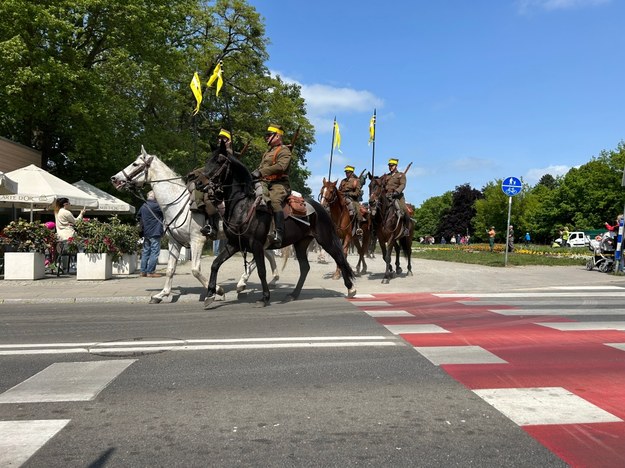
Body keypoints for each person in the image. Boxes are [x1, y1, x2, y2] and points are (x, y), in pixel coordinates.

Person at [251, 123, 292, 249]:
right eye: (266, 135)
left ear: (278, 136)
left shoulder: (284, 150)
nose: (267, 138)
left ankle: (279, 233)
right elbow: (261, 167)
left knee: (274, 201)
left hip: (279, 184)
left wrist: (261, 172)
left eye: (269, 135)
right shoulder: (268, 152)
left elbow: (281, 167)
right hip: (265, 183)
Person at [198, 128, 231, 238]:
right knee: (199, 191)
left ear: (229, 141)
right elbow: (209, 167)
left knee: (209, 197)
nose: (220, 140)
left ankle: (213, 227)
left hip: (227, 184)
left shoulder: (229, 152)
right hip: (216, 182)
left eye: (223, 138)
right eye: (219, 138)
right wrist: (197, 172)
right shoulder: (217, 153)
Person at [383, 158, 412, 236]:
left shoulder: (401, 175)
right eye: (389, 165)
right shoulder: (386, 176)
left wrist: (396, 191)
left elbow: (402, 185)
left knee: (405, 210)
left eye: (392, 165)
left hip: (397, 197)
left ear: (396, 166)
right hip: (387, 196)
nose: (390, 167)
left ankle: (406, 229)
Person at [138, 190, 164, 277]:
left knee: (145, 252)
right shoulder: (157, 206)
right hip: (155, 232)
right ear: (155, 197)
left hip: (146, 232)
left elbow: (138, 216)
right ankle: (151, 272)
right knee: (154, 252)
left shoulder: (143, 206)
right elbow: (166, 213)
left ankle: (143, 271)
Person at [338, 164, 364, 233]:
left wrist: (348, 194)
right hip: (342, 198)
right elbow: (339, 190)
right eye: (346, 172)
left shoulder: (356, 181)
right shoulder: (343, 181)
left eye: (348, 172)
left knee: (356, 210)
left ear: (352, 172)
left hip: (352, 199)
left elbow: (357, 193)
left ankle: (358, 227)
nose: (347, 174)